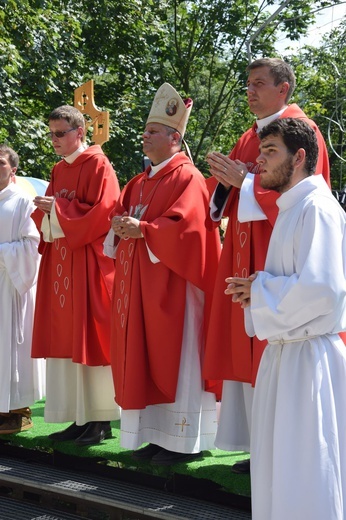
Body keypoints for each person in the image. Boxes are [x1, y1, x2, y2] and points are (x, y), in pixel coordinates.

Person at [202, 57, 331, 473]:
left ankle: (278, 446)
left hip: (274, 262)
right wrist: (223, 184)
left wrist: (245, 182)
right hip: (244, 256)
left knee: (268, 350)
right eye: (247, 84)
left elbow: (303, 192)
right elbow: (228, 199)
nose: (250, 91)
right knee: (246, 354)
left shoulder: (301, 132)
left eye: (259, 83)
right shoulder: (249, 136)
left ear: (284, 90)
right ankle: (258, 444)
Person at [225, 117, 346, 520]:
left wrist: (260, 292)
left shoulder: (319, 209)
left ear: (298, 158)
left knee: (305, 469)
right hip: (285, 357)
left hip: (308, 361)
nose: (259, 162)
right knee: (280, 469)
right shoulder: (293, 207)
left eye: (270, 152)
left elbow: (324, 289)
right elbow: (299, 280)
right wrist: (258, 285)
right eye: (260, 152)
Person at [104, 83, 221, 465]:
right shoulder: (139, 180)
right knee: (143, 356)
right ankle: (156, 436)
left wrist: (146, 231)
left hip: (175, 287)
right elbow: (116, 222)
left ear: (174, 138)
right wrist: (120, 227)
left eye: (153, 131)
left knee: (179, 355)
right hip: (139, 286)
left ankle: (185, 441)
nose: (145, 135)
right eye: (146, 130)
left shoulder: (187, 177)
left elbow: (188, 229)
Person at [31, 105, 121, 446]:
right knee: (67, 340)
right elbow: (53, 213)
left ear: (79, 133)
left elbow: (105, 213)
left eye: (60, 133)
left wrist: (57, 209)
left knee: (91, 340)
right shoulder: (59, 168)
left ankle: (100, 420)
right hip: (62, 265)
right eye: (51, 133)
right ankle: (78, 417)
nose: (54, 140)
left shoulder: (98, 164)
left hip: (87, 265)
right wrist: (47, 211)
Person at [0, 145, 45, 434]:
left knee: (11, 347)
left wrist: (2, 253)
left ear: (13, 169)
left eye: (0, 162)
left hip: (11, 286)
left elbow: (33, 246)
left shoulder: (23, 201)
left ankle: (18, 409)